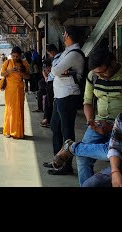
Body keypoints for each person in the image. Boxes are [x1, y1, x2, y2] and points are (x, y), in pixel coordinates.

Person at [47, 48, 122, 185]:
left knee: (114, 152)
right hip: (99, 121)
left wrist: (112, 127)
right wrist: (90, 121)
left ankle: (73, 147)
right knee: (83, 158)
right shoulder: (93, 76)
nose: (101, 76)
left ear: (113, 63)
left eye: (104, 72)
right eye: (97, 73)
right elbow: (87, 102)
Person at [44, 26, 85, 175]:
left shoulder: (74, 54)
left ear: (68, 35)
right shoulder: (67, 52)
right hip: (59, 95)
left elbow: (54, 71)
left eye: (64, 34)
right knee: (55, 127)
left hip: (68, 96)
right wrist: (60, 70)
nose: (63, 36)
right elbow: (56, 68)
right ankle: (57, 160)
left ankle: (66, 165)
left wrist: (58, 70)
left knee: (66, 131)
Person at [0, 46, 30, 139]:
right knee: (10, 109)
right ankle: (8, 131)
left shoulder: (24, 64)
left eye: (17, 56)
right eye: (13, 56)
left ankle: (18, 132)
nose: (15, 58)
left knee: (19, 109)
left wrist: (21, 72)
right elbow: (2, 74)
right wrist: (10, 71)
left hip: (19, 89)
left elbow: (28, 77)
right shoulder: (7, 62)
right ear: (11, 55)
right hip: (10, 90)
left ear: (20, 56)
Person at [40, 44, 61, 127]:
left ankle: (48, 119)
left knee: (49, 102)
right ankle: (49, 119)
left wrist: (47, 76)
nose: (49, 55)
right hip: (53, 82)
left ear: (52, 51)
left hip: (52, 82)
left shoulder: (57, 59)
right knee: (50, 101)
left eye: (49, 53)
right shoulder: (59, 58)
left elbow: (53, 73)